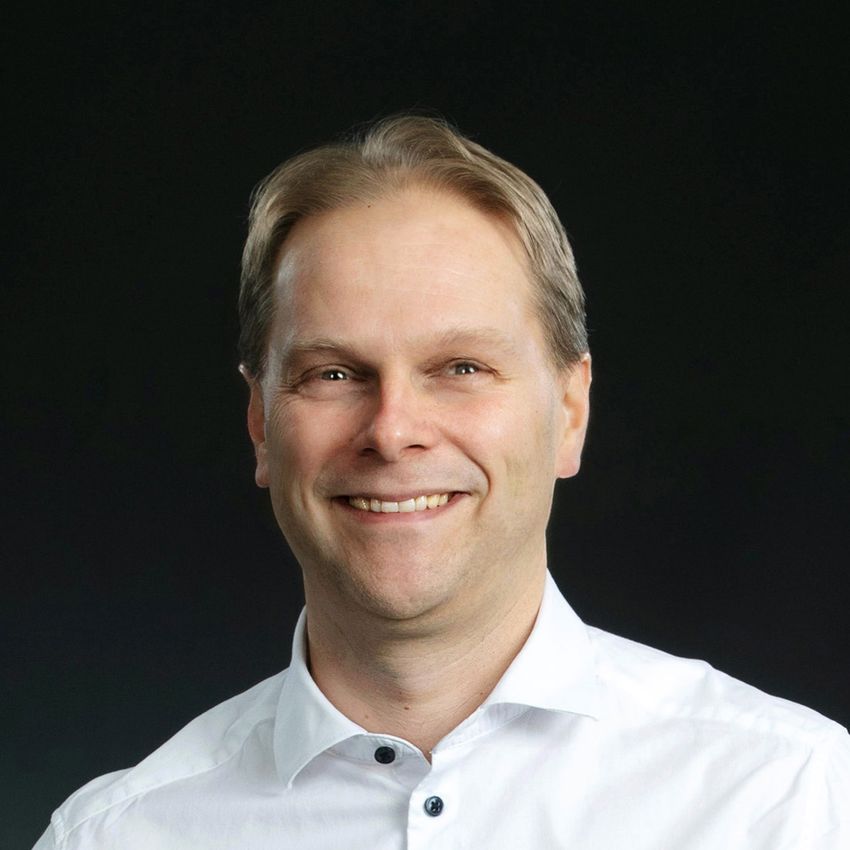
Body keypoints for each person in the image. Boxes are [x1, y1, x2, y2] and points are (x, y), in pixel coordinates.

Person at [35, 115, 849, 849]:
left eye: (461, 366)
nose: (392, 430)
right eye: (333, 373)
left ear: (569, 411)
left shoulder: (790, 801)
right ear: (259, 423)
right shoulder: (115, 836)